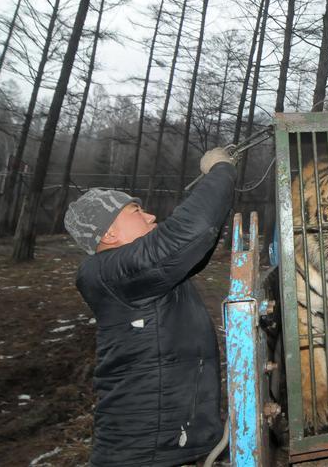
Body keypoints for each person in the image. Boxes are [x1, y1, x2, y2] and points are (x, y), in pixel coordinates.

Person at [65, 148, 236, 467]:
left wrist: (220, 183)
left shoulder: (140, 275)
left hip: (171, 444)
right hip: (142, 452)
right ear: (110, 233)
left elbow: (196, 243)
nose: (151, 216)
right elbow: (189, 231)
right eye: (136, 212)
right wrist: (221, 170)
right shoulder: (109, 272)